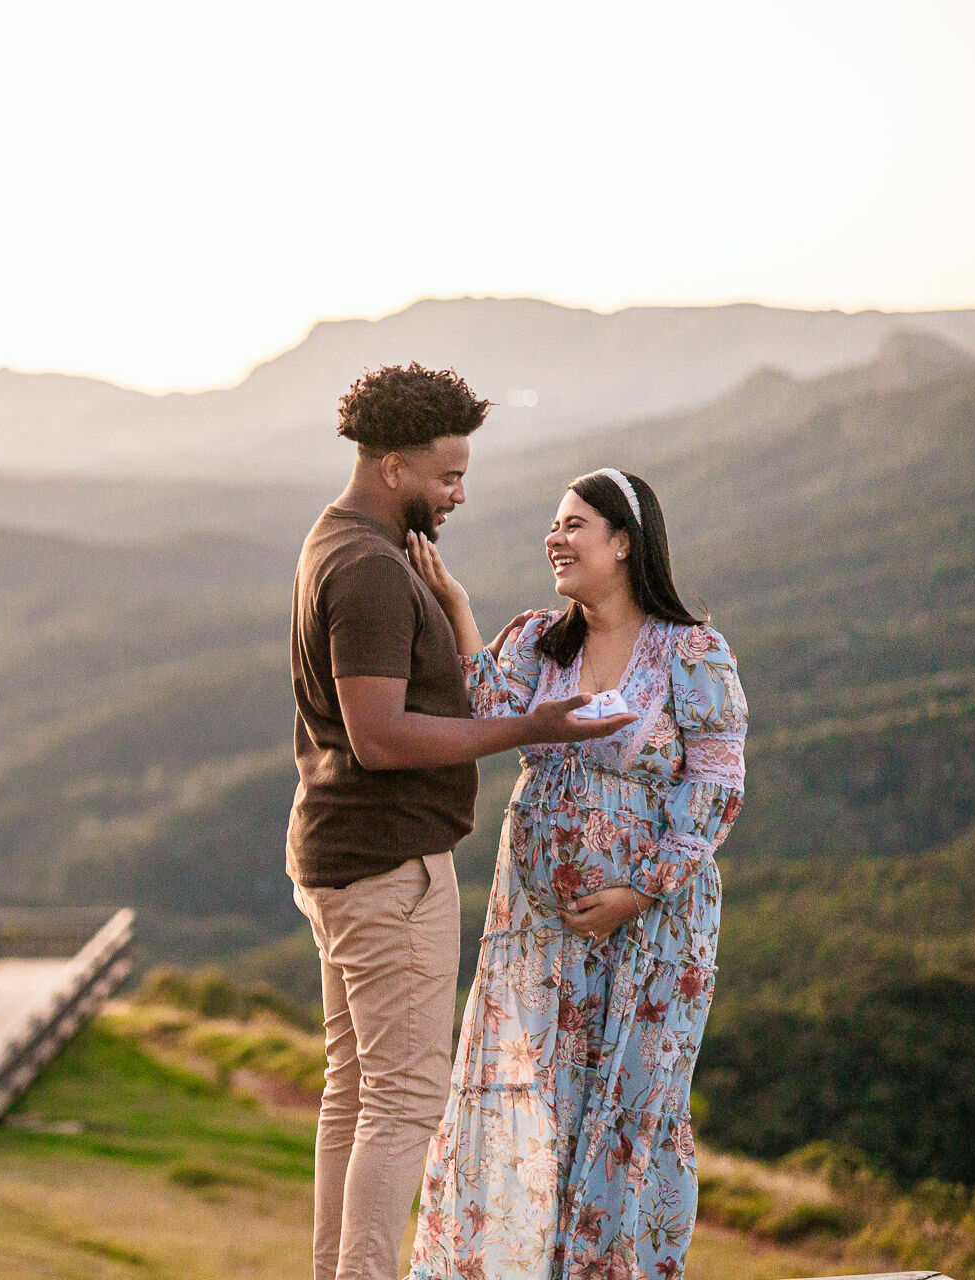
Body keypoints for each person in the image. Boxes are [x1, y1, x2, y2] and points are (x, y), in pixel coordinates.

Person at [289, 364, 637, 1280]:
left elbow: (401, 699)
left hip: (341, 855)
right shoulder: (366, 567)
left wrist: (453, 615)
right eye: (447, 476)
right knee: (405, 1099)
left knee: (357, 1089)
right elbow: (379, 735)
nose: (458, 493)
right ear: (395, 466)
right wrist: (535, 725)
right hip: (386, 865)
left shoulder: (344, 543)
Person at [404, 467, 747, 1280]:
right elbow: (479, 712)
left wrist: (639, 890)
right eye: (553, 525)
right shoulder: (536, 640)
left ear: (624, 542)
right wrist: (456, 608)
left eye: (574, 525)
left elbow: (718, 784)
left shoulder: (692, 653)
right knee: (532, 1110)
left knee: (628, 1112)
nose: (554, 538)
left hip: (652, 936)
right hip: (535, 933)